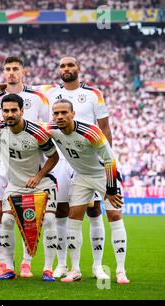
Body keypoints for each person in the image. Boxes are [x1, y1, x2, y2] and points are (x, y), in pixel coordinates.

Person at [38, 57, 112, 279]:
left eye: (70, 65)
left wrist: (106, 164)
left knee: (94, 210)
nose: (66, 69)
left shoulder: (94, 94)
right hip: (61, 159)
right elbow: (22, 87)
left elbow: (105, 130)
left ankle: (97, 266)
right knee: (62, 210)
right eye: (62, 66)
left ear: (78, 68)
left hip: (89, 160)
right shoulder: (49, 92)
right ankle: (62, 264)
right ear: (59, 70)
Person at [45, 99, 129, 284]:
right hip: (81, 176)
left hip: (103, 174)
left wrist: (111, 188)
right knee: (74, 217)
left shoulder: (90, 131)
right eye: (56, 113)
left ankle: (121, 270)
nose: (60, 117)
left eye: (64, 113)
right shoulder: (51, 128)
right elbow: (26, 125)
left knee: (114, 215)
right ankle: (75, 270)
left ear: (73, 114)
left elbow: (110, 159)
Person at [0, 56, 51, 278]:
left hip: (31, 159)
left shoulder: (38, 97)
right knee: (0, 211)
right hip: (2, 158)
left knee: (29, 213)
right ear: (3, 72)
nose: (11, 72)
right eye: (7, 69)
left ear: (24, 71)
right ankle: (5, 264)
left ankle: (26, 262)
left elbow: (47, 126)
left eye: (15, 69)